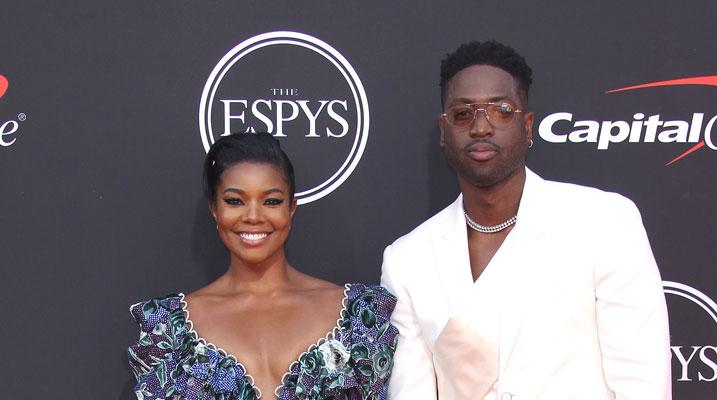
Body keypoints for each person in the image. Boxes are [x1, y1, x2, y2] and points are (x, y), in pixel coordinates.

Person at [380, 40, 671, 399]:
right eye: (463, 113)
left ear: (528, 126)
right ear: (444, 131)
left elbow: (642, 387)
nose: (481, 127)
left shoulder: (604, 223)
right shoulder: (408, 261)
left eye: (501, 109)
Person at [127, 133, 398, 400]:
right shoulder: (168, 331)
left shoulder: (358, 317)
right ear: (214, 209)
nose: (253, 216)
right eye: (235, 201)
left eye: (271, 201)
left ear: (291, 208)